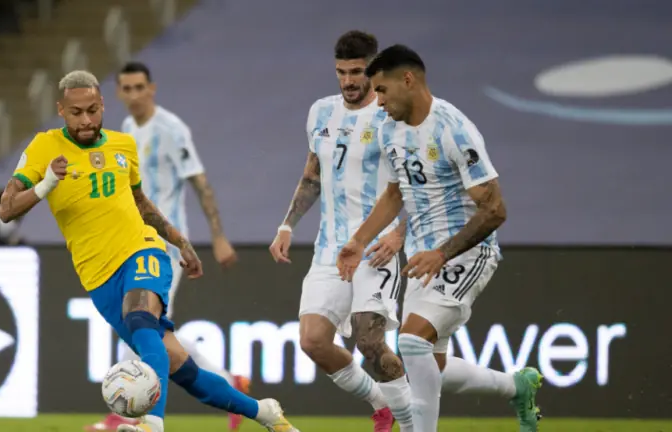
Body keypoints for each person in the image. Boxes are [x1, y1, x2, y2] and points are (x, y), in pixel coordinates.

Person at [0, 70, 299, 432]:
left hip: (143, 251)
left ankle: (152, 423)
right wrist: (45, 184)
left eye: (93, 110)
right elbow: (6, 209)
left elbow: (140, 203)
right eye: (76, 113)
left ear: (102, 104)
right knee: (184, 371)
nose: (86, 120)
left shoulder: (123, 145)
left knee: (141, 319)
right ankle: (265, 413)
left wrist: (180, 241)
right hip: (99, 277)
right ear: (61, 110)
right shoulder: (43, 147)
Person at [337, 45, 542, 432]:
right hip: (422, 259)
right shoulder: (388, 130)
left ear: (408, 80)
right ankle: (516, 387)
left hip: (466, 253)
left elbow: (495, 209)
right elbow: (396, 194)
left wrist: (442, 253)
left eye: (382, 90)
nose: (377, 101)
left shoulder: (454, 129)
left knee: (412, 344)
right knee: (431, 366)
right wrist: (360, 241)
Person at [84, 61, 247, 432]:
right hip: (130, 245)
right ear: (119, 93)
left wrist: (218, 236)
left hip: (163, 248)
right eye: (126, 88)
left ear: (152, 88)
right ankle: (229, 381)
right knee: (153, 330)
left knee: (137, 323)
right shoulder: (126, 131)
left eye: (139, 87)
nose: (134, 95)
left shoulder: (172, 129)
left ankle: (125, 414)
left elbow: (200, 183)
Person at [269, 31, 414, 432]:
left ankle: (413, 425)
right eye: (341, 72)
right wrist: (287, 224)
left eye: (356, 72)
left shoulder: (390, 116)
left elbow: (417, 185)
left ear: (373, 69)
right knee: (313, 341)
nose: (348, 81)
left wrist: (399, 234)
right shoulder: (321, 113)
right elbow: (312, 175)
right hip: (329, 250)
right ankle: (382, 404)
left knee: (370, 342)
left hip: (375, 248)